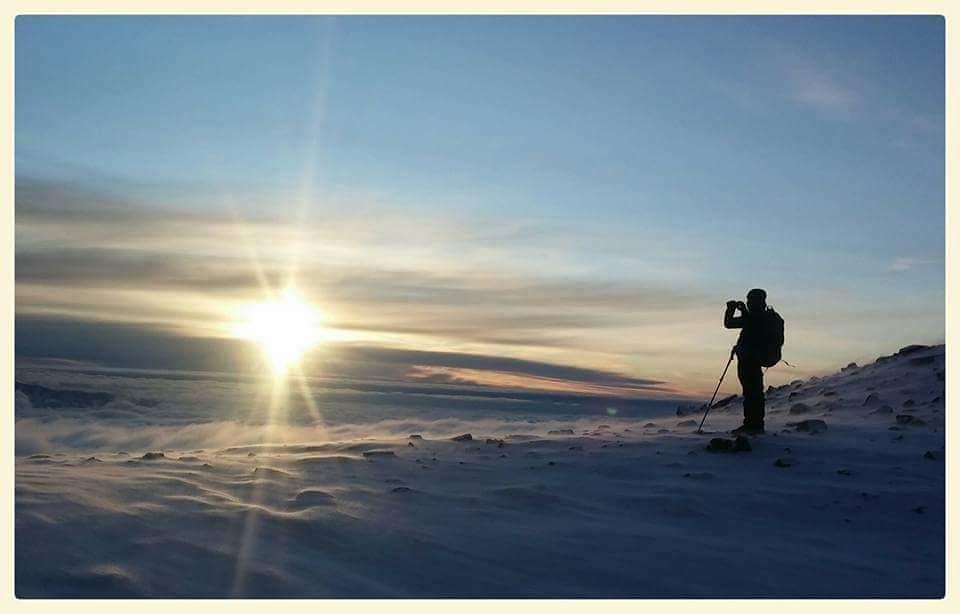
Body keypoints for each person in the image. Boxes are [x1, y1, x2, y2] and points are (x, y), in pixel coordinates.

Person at [724, 288, 771, 434]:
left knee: (751, 392)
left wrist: (730, 309)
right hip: (755, 358)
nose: (748, 302)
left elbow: (729, 323)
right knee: (755, 392)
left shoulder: (755, 317)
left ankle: (752, 425)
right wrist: (744, 310)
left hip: (749, 359)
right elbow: (751, 327)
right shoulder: (764, 317)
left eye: (749, 300)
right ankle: (755, 424)